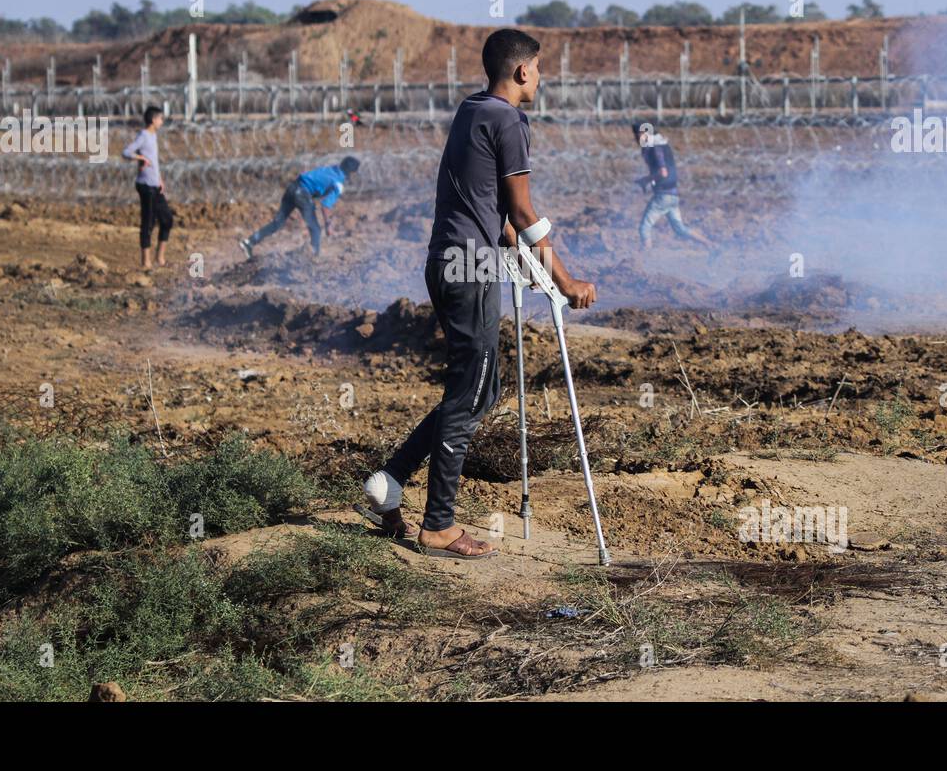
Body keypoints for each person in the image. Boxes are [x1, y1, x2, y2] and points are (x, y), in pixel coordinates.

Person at [357, 29, 596, 559]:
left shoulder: (472, 111)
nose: (541, 76)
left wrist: (531, 265)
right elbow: (523, 212)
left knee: (478, 391)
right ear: (522, 71)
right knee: (470, 395)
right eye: (539, 66)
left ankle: (389, 483)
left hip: (450, 261)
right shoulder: (508, 119)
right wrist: (565, 279)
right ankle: (438, 525)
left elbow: (489, 209)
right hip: (471, 267)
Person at [238, 156, 360, 259]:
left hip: (292, 188)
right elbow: (326, 205)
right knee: (316, 229)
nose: (355, 177)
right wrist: (328, 224)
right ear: (351, 172)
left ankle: (249, 242)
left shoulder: (332, 169)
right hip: (302, 194)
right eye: (355, 173)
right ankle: (314, 259)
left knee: (277, 223)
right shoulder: (338, 183)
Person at [634, 121, 713, 249]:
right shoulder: (661, 145)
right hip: (673, 195)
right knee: (680, 229)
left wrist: (646, 179)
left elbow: (663, 172)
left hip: (663, 196)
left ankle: (643, 263)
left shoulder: (655, 148)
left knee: (644, 228)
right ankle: (711, 245)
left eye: (639, 135)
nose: (637, 139)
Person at [122, 106, 174, 269]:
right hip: (145, 185)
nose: (162, 121)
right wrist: (140, 158)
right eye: (160, 118)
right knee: (148, 221)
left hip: (155, 184)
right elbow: (126, 152)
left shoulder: (153, 135)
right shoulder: (144, 135)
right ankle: (146, 262)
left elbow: (154, 160)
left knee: (167, 219)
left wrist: (160, 179)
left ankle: (160, 258)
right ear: (153, 120)